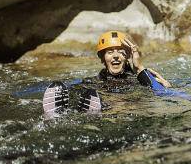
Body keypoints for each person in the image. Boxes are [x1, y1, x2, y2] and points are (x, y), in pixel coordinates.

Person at [42, 30, 172, 118]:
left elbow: (163, 94)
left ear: (128, 57)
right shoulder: (92, 83)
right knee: (83, 95)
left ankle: (90, 118)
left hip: (130, 117)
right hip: (105, 113)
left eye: (121, 52)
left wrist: (139, 68)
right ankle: (57, 116)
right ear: (102, 58)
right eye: (110, 52)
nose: (115, 56)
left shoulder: (142, 78)